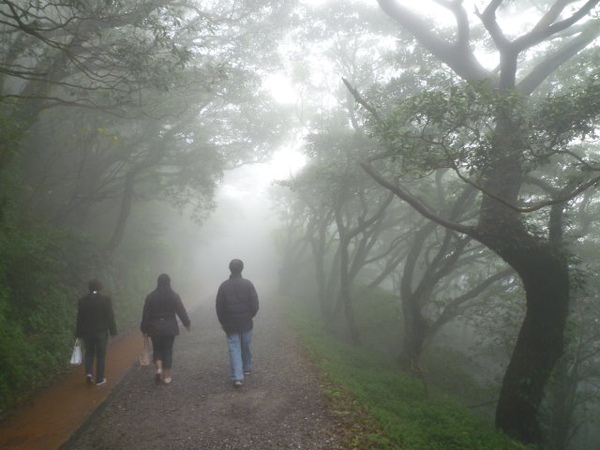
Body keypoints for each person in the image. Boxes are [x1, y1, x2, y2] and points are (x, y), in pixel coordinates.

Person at [216, 259, 259, 387]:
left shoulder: (224, 286)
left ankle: (237, 377)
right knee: (246, 345)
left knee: (234, 349)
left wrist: (223, 321)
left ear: (230, 269)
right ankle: (247, 368)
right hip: (246, 321)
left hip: (230, 324)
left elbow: (219, 307)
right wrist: (250, 315)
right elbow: (255, 304)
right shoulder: (248, 284)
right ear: (242, 268)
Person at [140, 273, 191, 384]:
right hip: (169, 327)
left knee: (157, 349)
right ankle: (167, 376)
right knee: (167, 351)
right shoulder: (174, 296)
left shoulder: (150, 297)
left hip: (154, 328)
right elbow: (181, 311)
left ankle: (158, 369)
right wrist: (187, 323)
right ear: (169, 283)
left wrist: (144, 329)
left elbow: (146, 314)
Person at [75, 278, 117, 386]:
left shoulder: (82, 301)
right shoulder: (106, 300)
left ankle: (89, 373)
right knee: (101, 355)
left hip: (87, 332)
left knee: (89, 353)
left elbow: (80, 319)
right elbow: (110, 317)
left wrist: (78, 334)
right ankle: (99, 379)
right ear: (100, 287)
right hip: (101, 332)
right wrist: (113, 331)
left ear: (89, 287)